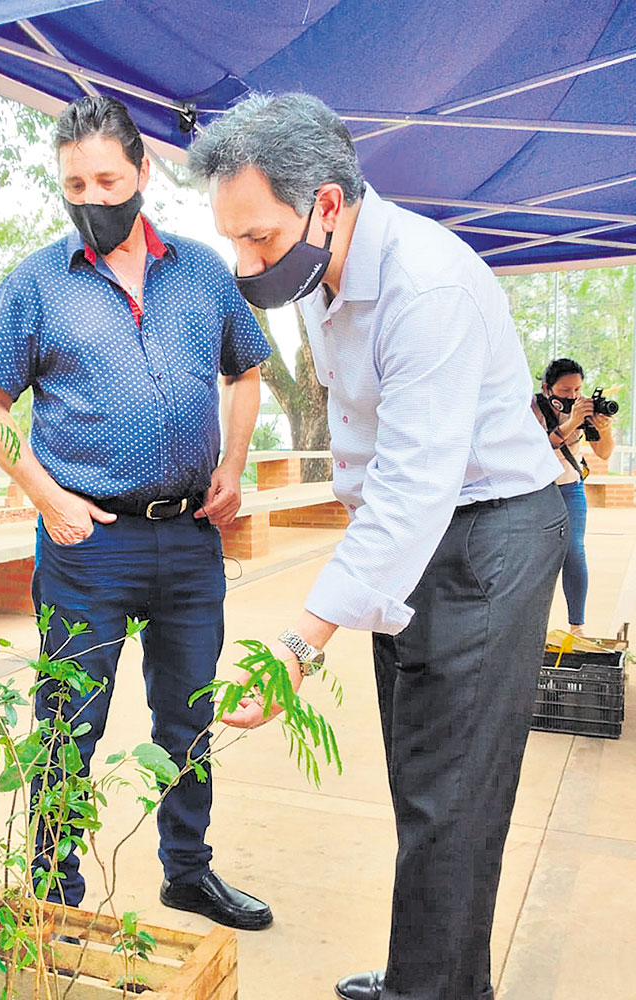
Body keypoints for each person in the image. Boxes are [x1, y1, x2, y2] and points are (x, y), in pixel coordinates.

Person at [187, 93, 568, 1000]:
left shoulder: (425, 285)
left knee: (452, 800)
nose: (246, 264)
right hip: (420, 537)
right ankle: (432, 976)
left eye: (261, 241)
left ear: (325, 202)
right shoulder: (323, 274)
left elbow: (413, 489)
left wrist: (296, 647)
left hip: (487, 537)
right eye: (234, 240)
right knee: (428, 781)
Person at [0, 96, 274, 931]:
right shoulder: (34, 283)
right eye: (75, 184)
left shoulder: (205, 270)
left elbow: (246, 370)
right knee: (69, 721)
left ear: (143, 173)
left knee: (189, 715)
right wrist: (47, 495)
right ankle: (52, 894)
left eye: (108, 178)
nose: (94, 196)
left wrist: (236, 466)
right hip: (87, 544)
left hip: (189, 537)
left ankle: (188, 871)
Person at [532, 358, 615, 636]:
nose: (573, 396)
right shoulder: (534, 407)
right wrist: (572, 423)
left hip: (570, 487)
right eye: (566, 390)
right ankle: (530, 628)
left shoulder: (583, 409)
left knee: (574, 552)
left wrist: (602, 427)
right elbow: (539, 448)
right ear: (547, 388)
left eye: (577, 390)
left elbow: (604, 453)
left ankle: (576, 627)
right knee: (532, 558)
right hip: (536, 490)